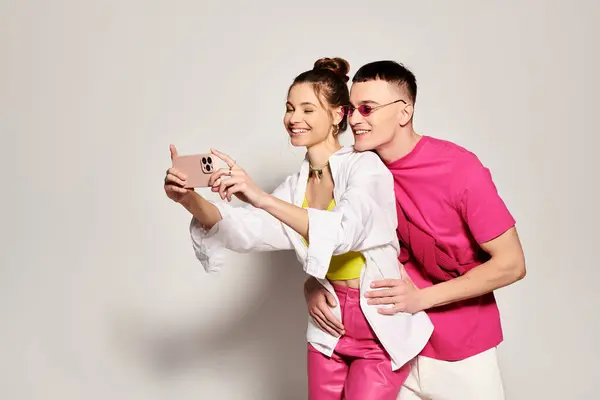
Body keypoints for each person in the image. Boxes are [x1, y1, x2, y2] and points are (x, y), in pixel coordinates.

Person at [163, 57, 433, 400]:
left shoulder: (367, 169)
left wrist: (259, 196)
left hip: (380, 331)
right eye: (290, 108)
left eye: (307, 109)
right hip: (328, 329)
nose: (293, 118)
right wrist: (187, 199)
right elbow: (247, 229)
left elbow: (342, 232)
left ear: (338, 115)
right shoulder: (297, 185)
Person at [303, 60, 526, 400]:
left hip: (461, 351)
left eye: (368, 109)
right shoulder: (353, 167)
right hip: (390, 345)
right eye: (352, 110)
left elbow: (511, 263)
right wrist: (315, 283)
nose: (357, 120)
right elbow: (336, 236)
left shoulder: (458, 168)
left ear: (404, 112)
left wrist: (420, 299)